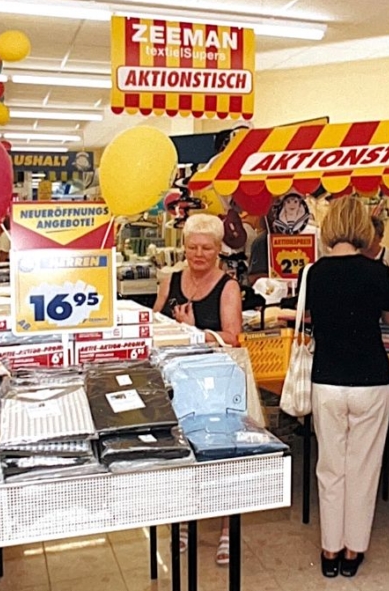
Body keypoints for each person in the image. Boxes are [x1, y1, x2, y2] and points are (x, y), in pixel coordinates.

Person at [304, 196, 389, 578]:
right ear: (363, 228)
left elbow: (310, 315)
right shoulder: (377, 271)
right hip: (371, 379)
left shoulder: (313, 273)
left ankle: (329, 550)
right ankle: (352, 550)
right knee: (363, 467)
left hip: (327, 379)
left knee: (330, 467)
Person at [152, 213, 242, 564]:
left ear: (218, 250)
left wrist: (194, 331)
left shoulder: (228, 286)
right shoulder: (170, 279)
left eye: (206, 248)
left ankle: (225, 530)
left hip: (215, 384)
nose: (199, 255)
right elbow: (155, 320)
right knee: (181, 455)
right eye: (192, 248)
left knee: (221, 458)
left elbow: (234, 338)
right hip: (176, 383)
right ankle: (183, 524)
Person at [365, 216, 389, 290]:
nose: (368, 242)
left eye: (372, 239)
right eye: (365, 237)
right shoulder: (354, 255)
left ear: (381, 238)